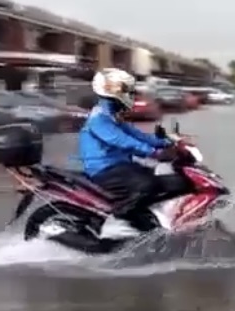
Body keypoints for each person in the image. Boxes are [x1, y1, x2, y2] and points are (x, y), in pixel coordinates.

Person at [78, 68, 183, 235]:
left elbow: (137, 135)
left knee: (165, 180)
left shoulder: (112, 114)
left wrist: (166, 142)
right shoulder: (99, 118)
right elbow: (121, 140)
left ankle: (156, 221)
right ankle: (119, 217)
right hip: (104, 169)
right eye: (125, 90)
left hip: (121, 165)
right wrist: (154, 153)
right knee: (146, 185)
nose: (130, 94)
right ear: (110, 90)